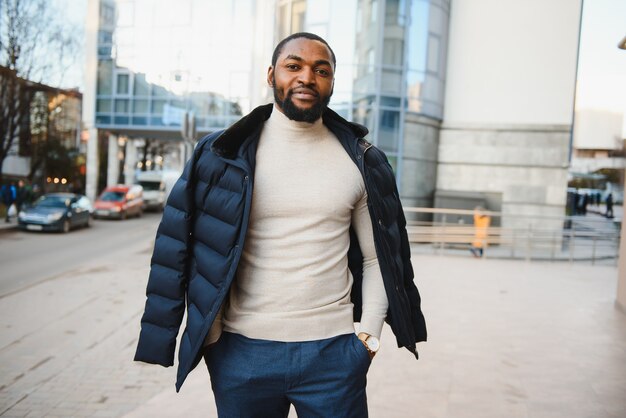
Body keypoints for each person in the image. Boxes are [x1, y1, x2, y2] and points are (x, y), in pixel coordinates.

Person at [134, 32, 427, 416]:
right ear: (272, 75)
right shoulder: (220, 153)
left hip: (335, 355)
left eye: (321, 70)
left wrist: (368, 335)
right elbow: (175, 247)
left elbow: (380, 258)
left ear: (332, 82)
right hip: (240, 353)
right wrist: (210, 338)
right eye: (294, 66)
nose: (307, 77)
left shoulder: (361, 159)